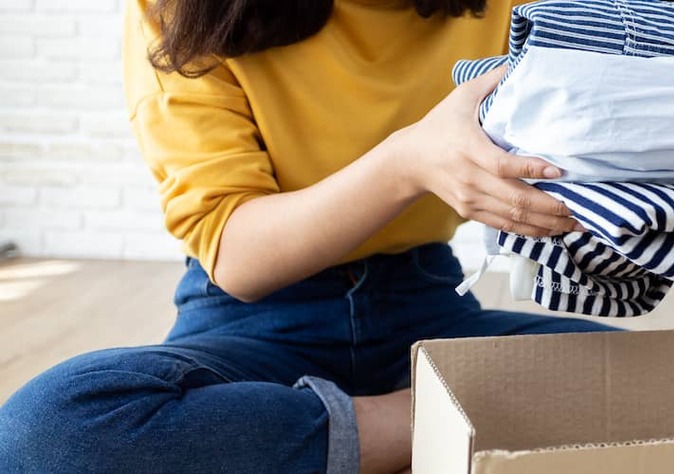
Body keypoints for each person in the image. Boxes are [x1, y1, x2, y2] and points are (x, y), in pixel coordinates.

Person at [0, 0, 620, 472]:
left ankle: (325, 440)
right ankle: (428, 421)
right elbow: (237, 255)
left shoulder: (511, 11)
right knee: (50, 429)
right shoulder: (182, 13)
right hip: (253, 322)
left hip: (426, 303)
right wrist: (405, 163)